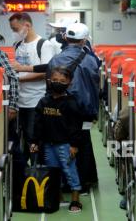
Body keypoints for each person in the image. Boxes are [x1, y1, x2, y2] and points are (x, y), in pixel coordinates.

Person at [46, 23, 100, 193]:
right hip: (83, 111)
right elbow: (94, 87)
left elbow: (49, 86)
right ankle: (84, 182)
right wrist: (94, 112)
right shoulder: (90, 60)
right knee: (83, 143)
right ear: (84, 40)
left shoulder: (55, 60)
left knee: (61, 144)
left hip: (60, 110)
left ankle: (64, 183)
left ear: (66, 39)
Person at [30, 66, 83, 213]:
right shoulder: (43, 102)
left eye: (62, 81)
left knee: (70, 172)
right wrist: (35, 142)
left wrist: (74, 145)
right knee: (52, 173)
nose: (57, 83)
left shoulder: (71, 103)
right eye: (54, 80)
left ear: (69, 83)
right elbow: (37, 124)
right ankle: (57, 198)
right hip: (48, 145)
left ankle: (75, 199)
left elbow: (75, 127)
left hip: (65, 145)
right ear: (48, 81)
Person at [9, 13, 57, 164]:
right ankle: (24, 174)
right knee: (21, 140)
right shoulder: (17, 45)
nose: (14, 33)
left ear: (27, 26)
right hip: (19, 101)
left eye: (15, 29)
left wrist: (19, 78)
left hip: (35, 100)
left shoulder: (43, 44)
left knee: (34, 138)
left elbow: (46, 72)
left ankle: (37, 171)